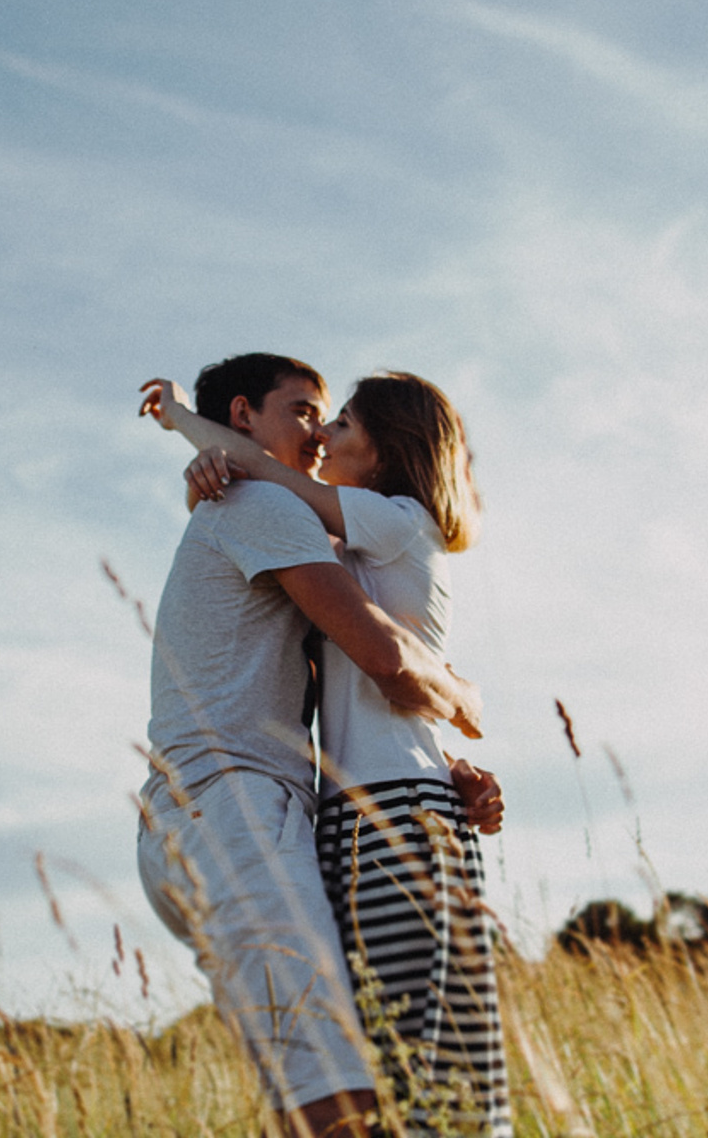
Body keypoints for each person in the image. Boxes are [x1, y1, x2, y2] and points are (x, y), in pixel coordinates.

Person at [142, 369, 512, 1137]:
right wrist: (465, 701)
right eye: (309, 414)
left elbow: (373, 674)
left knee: (397, 1075)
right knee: (354, 1096)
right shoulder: (264, 505)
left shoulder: (339, 530)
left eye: (335, 420)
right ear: (243, 416)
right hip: (248, 809)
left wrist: (447, 764)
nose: (319, 435)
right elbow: (385, 659)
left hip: (309, 814)